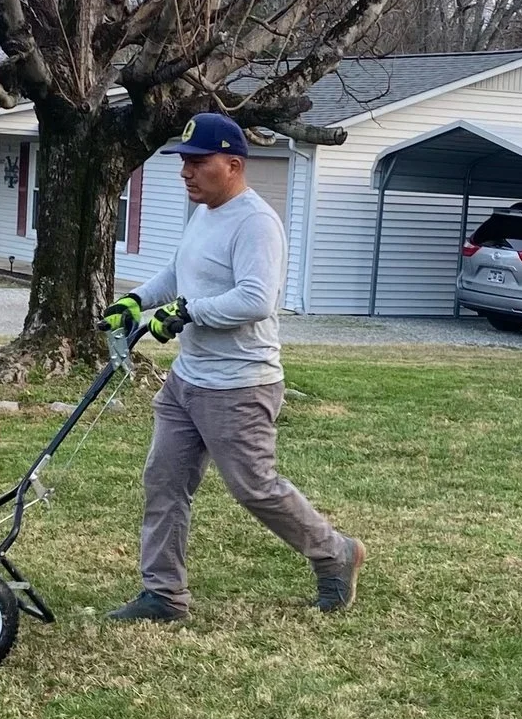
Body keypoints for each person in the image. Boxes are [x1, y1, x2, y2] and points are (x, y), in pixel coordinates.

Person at [103, 111, 366, 622]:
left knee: (255, 488)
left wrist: (188, 313)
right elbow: (182, 271)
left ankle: (336, 554)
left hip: (240, 385)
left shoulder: (257, 223)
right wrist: (136, 300)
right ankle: (164, 595)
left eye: (198, 163)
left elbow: (256, 299)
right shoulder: (203, 213)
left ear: (234, 164)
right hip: (188, 379)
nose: (186, 173)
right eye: (184, 163)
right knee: (164, 479)